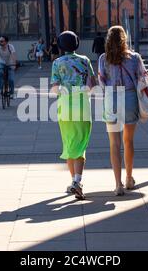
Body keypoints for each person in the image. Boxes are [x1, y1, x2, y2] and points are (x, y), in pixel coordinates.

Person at [98, 26, 148, 196]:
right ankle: (129, 178)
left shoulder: (103, 58)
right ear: (124, 39)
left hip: (112, 98)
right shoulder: (134, 57)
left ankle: (117, 185)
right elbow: (144, 78)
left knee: (114, 143)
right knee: (129, 141)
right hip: (129, 98)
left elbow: (101, 82)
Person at [51, 31, 97, 200]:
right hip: (82, 105)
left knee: (69, 143)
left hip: (64, 107)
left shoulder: (57, 63)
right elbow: (92, 85)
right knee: (81, 144)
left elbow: (55, 87)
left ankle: (73, 181)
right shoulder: (85, 61)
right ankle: (77, 181)